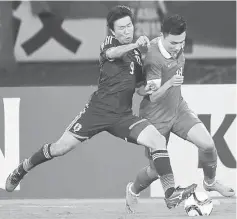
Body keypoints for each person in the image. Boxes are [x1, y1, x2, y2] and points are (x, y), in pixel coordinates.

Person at [5, 6, 197, 209]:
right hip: (96, 113)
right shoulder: (110, 44)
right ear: (113, 31)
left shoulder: (138, 56)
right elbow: (113, 53)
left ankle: (170, 193)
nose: (126, 31)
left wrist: (147, 88)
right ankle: (24, 167)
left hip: (123, 117)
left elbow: (140, 88)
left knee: (157, 140)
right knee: (60, 148)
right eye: (121, 28)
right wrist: (134, 45)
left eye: (129, 26)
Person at [125, 14, 235, 212]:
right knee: (154, 171)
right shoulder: (152, 58)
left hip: (178, 109)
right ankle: (132, 190)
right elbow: (153, 97)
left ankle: (210, 183)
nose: (178, 46)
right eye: (173, 42)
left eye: (182, 41)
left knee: (208, 144)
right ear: (162, 36)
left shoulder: (177, 47)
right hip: (155, 118)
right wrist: (169, 84)